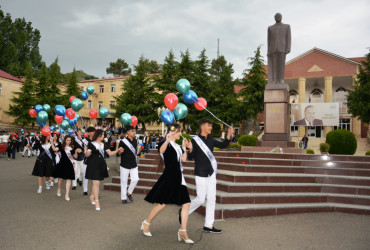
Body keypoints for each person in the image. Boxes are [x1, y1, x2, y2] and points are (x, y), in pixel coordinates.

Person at [142, 124, 194, 244]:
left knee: (186, 203)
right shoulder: (166, 143)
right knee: (162, 204)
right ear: (173, 132)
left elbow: (184, 160)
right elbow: (161, 150)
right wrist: (167, 140)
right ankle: (146, 222)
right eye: (179, 131)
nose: (181, 134)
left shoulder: (177, 146)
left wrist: (185, 149)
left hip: (179, 178)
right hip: (169, 177)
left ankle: (183, 230)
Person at [186, 118, 233, 234]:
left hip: (211, 174)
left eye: (211, 126)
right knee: (200, 199)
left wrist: (228, 135)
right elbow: (190, 158)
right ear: (202, 127)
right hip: (200, 173)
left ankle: (208, 225)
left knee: (212, 199)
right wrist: (190, 149)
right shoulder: (195, 140)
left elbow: (223, 145)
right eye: (209, 126)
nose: (211, 128)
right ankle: (184, 212)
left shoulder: (211, 139)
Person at [85, 129, 122, 211]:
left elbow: (110, 153)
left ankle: (92, 196)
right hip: (93, 164)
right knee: (96, 182)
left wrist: (117, 150)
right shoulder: (91, 144)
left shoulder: (103, 144)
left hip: (100, 164)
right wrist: (87, 151)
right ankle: (97, 200)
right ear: (98, 135)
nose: (104, 136)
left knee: (96, 182)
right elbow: (87, 155)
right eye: (102, 135)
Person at [117, 126, 141, 204]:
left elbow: (137, 154)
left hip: (133, 163)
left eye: (134, 131)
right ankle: (123, 198)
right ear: (128, 132)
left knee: (136, 179)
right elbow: (118, 153)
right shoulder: (123, 141)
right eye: (132, 131)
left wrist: (139, 149)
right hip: (125, 164)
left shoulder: (135, 141)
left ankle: (129, 192)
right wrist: (120, 151)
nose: (134, 132)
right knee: (124, 181)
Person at [52, 135, 81, 201]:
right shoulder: (61, 146)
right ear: (65, 140)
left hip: (70, 165)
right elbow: (54, 149)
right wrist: (52, 142)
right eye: (67, 140)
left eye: (70, 140)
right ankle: (59, 189)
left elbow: (75, 157)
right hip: (62, 164)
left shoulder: (72, 147)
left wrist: (76, 152)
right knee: (61, 179)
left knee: (69, 179)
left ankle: (67, 194)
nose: (68, 141)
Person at [81, 126, 95, 196]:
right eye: (93, 131)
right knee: (85, 175)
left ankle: (94, 190)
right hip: (86, 159)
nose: (94, 133)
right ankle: (85, 190)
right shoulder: (84, 141)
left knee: (95, 176)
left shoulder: (96, 140)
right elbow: (83, 150)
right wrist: (85, 149)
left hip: (94, 160)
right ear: (89, 133)